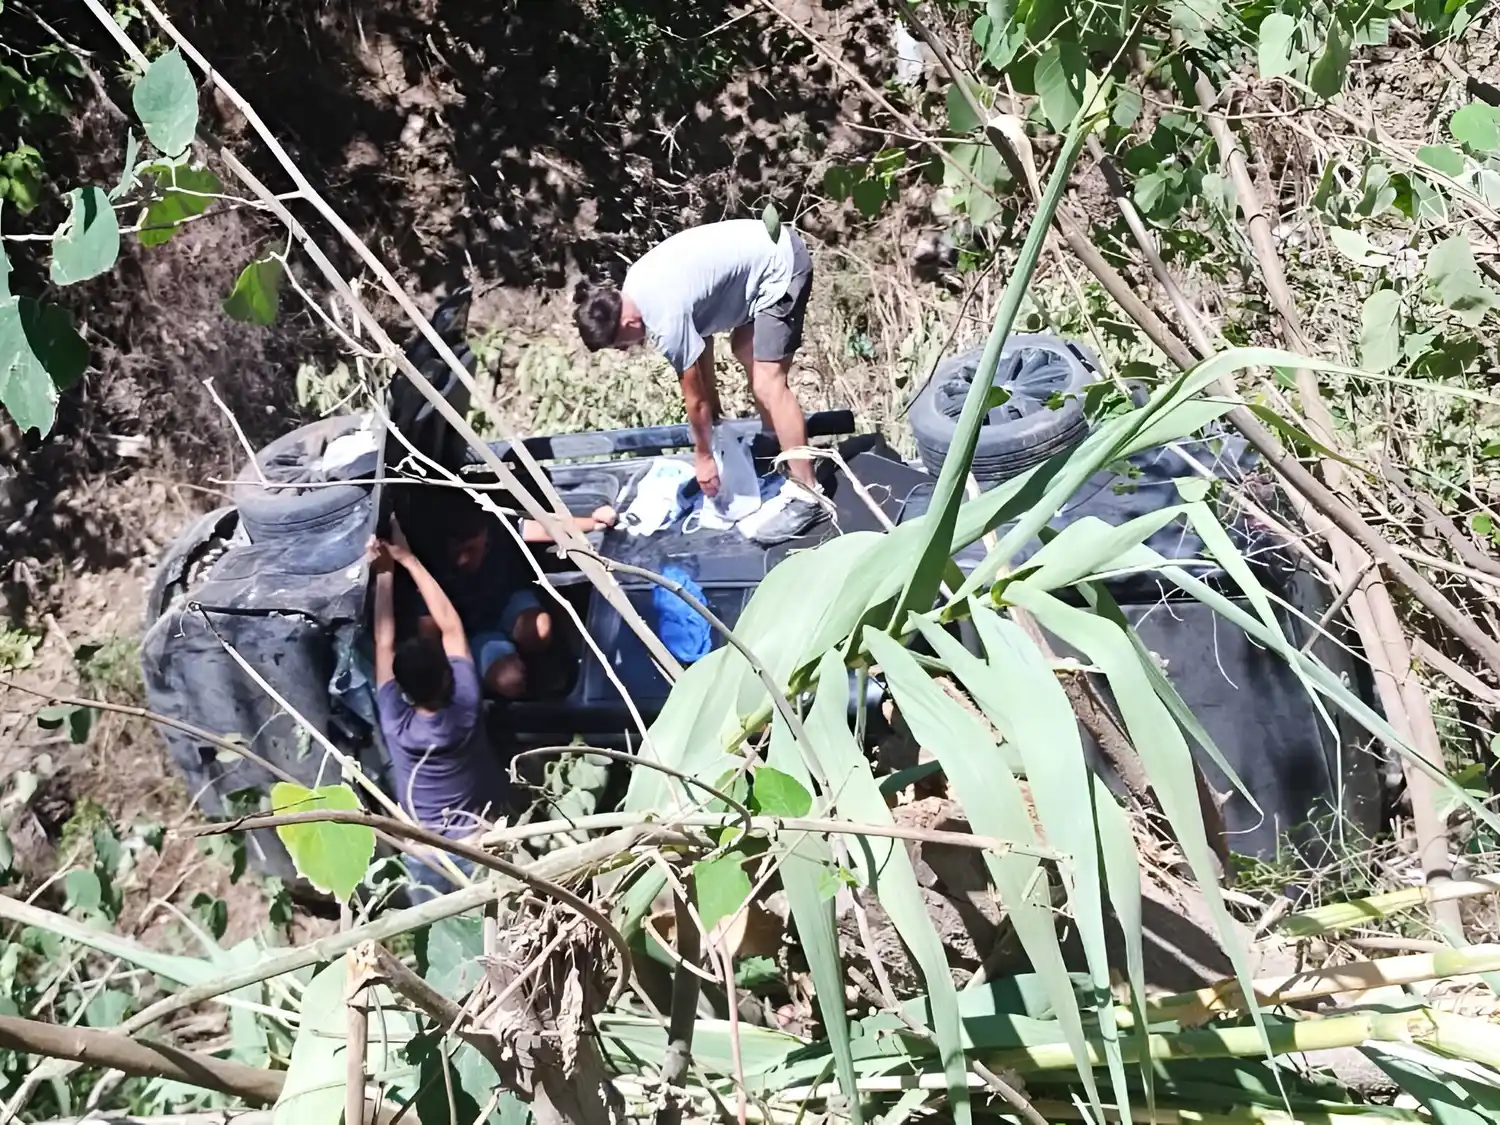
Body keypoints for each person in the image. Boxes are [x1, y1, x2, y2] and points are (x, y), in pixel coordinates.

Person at [573, 218, 827, 545]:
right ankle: (773, 445)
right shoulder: (635, 288)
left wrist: (704, 457)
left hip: (780, 264)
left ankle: (809, 495)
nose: (624, 351)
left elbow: (695, 399)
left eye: (620, 343)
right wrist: (716, 423)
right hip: (761, 257)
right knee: (744, 350)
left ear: (629, 320)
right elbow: (700, 344)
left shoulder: (662, 315)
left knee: (768, 381)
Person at [369, 518, 502, 894]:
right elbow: (452, 628)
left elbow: (383, 643)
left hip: (424, 855)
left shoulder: (396, 721)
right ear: (448, 677)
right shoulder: (466, 707)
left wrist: (385, 573)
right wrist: (408, 560)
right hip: (478, 847)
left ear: (403, 689)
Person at [411, 489, 618, 698]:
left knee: (538, 628)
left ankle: (534, 666)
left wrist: (594, 523)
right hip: (473, 633)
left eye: (472, 550)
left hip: (508, 605)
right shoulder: (432, 562)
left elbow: (547, 529)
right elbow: (428, 632)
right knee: (509, 680)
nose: (464, 560)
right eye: (458, 552)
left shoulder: (498, 526)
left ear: (484, 535)